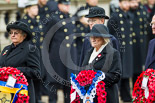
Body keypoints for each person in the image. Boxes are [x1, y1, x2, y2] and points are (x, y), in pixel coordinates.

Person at [0, 21, 41, 103]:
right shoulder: (6, 49)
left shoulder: (31, 49)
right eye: (11, 33)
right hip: (5, 91)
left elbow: (37, 73)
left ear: (24, 35)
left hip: (21, 92)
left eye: (16, 33)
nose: (13, 35)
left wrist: (16, 71)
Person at [81, 24, 122, 103]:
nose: (93, 39)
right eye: (91, 37)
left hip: (106, 97)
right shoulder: (89, 52)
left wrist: (97, 75)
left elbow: (116, 76)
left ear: (104, 38)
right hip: (89, 97)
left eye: (96, 37)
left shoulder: (113, 53)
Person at [107, 0, 133, 102]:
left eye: (128, 2)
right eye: (125, 2)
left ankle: (126, 97)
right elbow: (110, 34)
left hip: (127, 50)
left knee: (126, 74)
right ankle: (116, 97)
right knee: (119, 73)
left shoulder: (128, 15)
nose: (127, 5)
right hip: (118, 49)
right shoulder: (115, 16)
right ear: (120, 3)